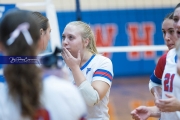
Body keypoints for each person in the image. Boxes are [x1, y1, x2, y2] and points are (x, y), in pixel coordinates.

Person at [0, 9, 87, 120]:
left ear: (1, 45)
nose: (49, 37)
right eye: (49, 32)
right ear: (39, 39)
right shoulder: (65, 92)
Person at [131, 3, 180, 120]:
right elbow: (155, 83)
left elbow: (176, 106)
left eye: (171, 31)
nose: (166, 37)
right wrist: (152, 110)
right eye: (176, 19)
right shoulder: (167, 58)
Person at [61, 21, 114, 120]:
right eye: (63, 37)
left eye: (71, 37)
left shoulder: (102, 63)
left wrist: (75, 68)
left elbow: (92, 99)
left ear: (86, 42)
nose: (65, 42)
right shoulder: (60, 65)